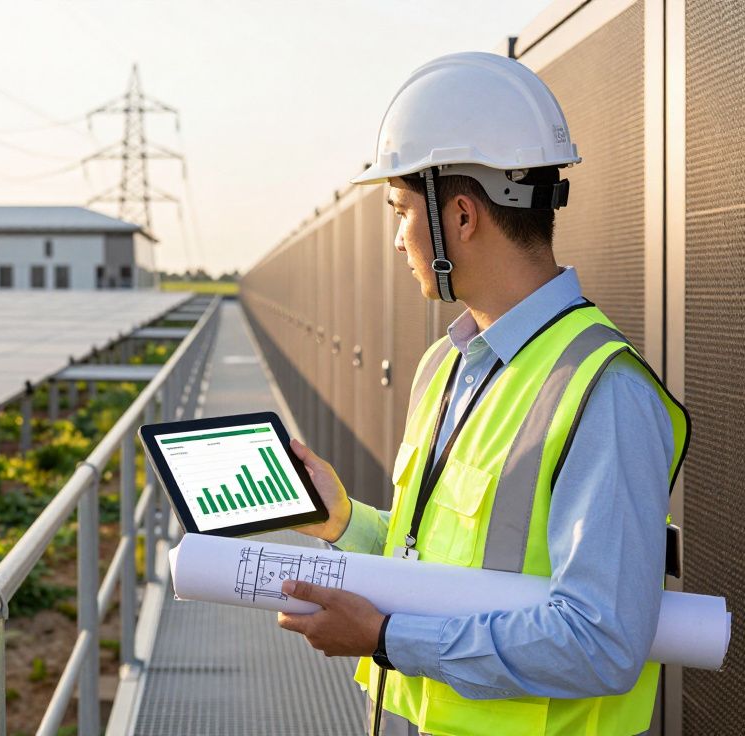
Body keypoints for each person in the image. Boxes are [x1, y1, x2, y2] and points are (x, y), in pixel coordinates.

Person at [274, 52, 690, 736]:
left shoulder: (603, 393)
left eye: (400, 210)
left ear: (460, 218)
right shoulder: (445, 366)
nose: (396, 239)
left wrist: (387, 638)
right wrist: (345, 521)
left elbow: (602, 640)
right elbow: (432, 565)